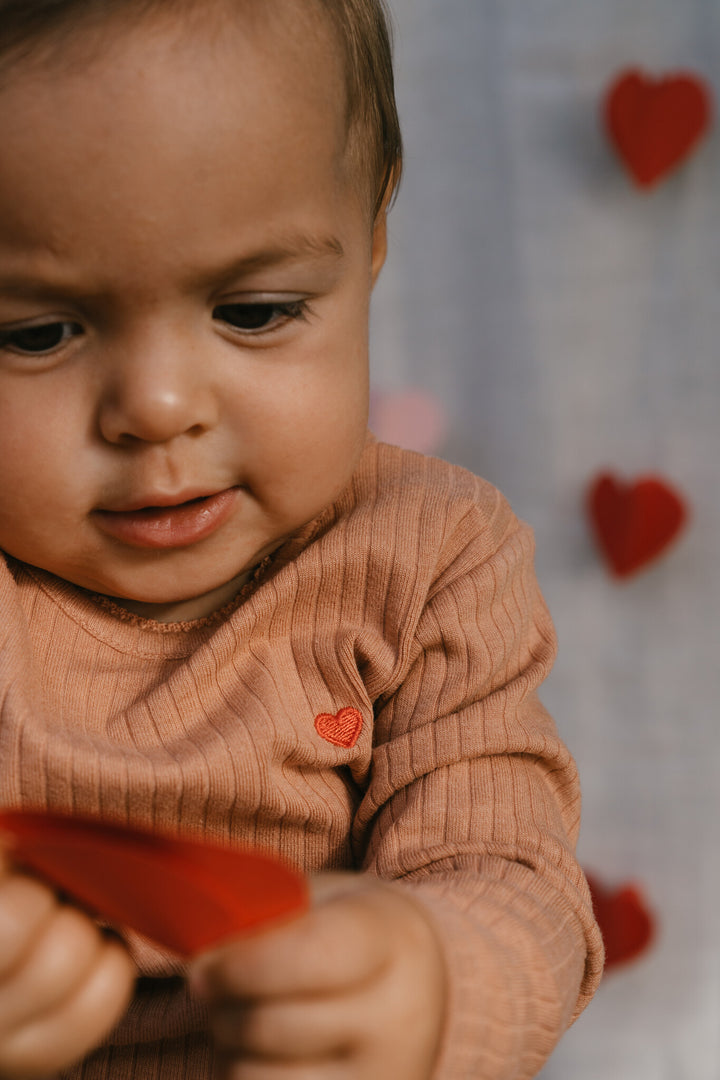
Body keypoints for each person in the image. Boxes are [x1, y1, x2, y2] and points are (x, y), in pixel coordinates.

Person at [0, 0, 604, 1077]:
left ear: (372, 235)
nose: (159, 407)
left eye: (257, 311)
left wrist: (432, 972)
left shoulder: (432, 557)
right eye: (37, 332)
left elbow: (512, 874)